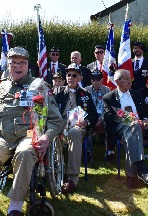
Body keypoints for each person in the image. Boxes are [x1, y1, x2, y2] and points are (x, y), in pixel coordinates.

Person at [0, 47, 62, 216]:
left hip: (29, 136)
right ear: (8, 64)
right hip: (2, 137)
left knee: (24, 153)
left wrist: (47, 136)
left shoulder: (39, 86)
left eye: (22, 63)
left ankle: (15, 208)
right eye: (14, 62)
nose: (18, 66)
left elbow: (56, 120)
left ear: (28, 65)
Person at [103, 69, 148, 188]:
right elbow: (108, 118)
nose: (130, 81)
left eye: (130, 79)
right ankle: (141, 169)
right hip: (120, 127)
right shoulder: (109, 97)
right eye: (126, 79)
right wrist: (125, 119)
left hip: (138, 129)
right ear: (117, 81)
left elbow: (145, 113)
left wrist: (145, 121)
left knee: (131, 133)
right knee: (133, 127)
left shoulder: (137, 94)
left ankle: (132, 176)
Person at [53, 63, 99, 194]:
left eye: (74, 75)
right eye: (68, 75)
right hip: (60, 123)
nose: (71, 77)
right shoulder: (58, 92)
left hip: (77, 126)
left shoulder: (86, 94)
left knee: (73, 132)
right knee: (48, 132)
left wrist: (86, 122)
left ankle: (72, 178)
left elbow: (94, 115)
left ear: (80, 78)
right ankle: (48, 171)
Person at [85, 70, 112, 160]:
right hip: (91, 117)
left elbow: (109, 108)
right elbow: (84, 109)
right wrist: (93, 119)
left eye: (98, 79)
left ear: (102, 80)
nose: (96, 81)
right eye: (93, 79)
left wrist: (102, 119)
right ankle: (88, 151)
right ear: (91, 80)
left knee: (111, 124)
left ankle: (109, 151)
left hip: (103, 118)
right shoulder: (85, 91)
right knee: (86, 126)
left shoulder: (107, 90)